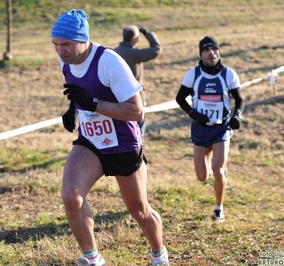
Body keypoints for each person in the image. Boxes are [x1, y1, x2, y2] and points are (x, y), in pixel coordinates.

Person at [51, 9, 169, 266]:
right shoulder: (67, 60)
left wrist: (92, 104)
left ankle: (159, 254)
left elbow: (136, 111)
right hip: (91, 141)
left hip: (123, 143)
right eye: (56, 45)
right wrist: (72, 110)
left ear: (83, 40)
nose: (60, 52)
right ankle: (93, 259)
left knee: (139, 211)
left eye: (66, 45)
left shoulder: (109, 61)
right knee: (71, 196)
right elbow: (78, 94)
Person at [175, 36, 245, 223]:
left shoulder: (229, 74)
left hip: (221, 128)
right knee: (201, 176)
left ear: (218, 52)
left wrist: (237, 115)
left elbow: (239, 99)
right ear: (201, 54)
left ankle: (218, 209)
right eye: (206, 50)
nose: (211, 53)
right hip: (200, 129)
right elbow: (180, 99)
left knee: (218, 169)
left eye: (214, 49)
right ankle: (209, 158)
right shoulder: (193, 75)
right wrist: (194, 114)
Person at [114, 25, 162, 139]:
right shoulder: (134, 54)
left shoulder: (114, 52)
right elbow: (157, 49)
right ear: (134, 39)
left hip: (116, 98)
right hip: (136, 98)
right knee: (138, 132)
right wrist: (147, 33)